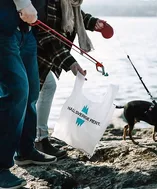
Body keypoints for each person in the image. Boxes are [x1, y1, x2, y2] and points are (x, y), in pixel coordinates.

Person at [33, 0, 113, 158]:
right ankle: (38, 139)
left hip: (43, 53)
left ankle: (37, 138)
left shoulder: (68, 3)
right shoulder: (50, 3)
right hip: (36, 52)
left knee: (41, 90)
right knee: (37, 92)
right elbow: (48, 38)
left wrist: (95, 23)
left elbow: (76, 16)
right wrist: (70, 63)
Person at [0, 0, 58, 188]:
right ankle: (1, 168)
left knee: (32, 92)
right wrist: (23, 3)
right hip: (4, 26)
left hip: (26, 32)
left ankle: (25, 150)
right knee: (15, 92)